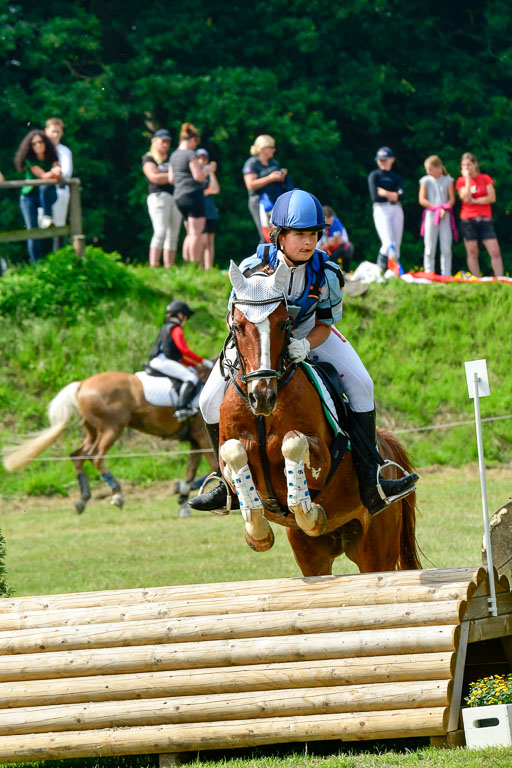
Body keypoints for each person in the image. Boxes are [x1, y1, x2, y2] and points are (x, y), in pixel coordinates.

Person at [189, 189, 418, 515]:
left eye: (313, 234)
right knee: (207, 400)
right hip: (260, 341)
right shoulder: (252, 267)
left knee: (363, 385)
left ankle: (372, 478)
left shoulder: (327, 273)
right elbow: (235, 319)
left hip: (310, 335)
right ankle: (225, 484)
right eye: (300, 234)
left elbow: (325, 323)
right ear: (279, 236)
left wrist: (305, 344)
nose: (309, 242)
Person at [148, 300, 213, 421]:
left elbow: (178, 356)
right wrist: (203, 361)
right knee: (191, 378)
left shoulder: (166, 327)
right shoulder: (176, 329)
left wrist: (193, 365)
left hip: (161, 359)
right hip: (163, 361)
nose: (185, 320)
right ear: (180, 315)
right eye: (186, 317)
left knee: (189, 374)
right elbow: (184, 351)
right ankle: (182, 408)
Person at [169, 123, 215, 266]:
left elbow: (171, 179)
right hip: (192, 195)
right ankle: (193, 265)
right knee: (196, 233)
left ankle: (186, 263)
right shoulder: (190, 154)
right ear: (193, 140)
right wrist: (208, 169)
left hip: (179, 196)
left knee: (189, 232)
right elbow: (199, 177)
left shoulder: (174, 155)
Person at [14, 129, 61, 263]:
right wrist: (54, 172)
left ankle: (47, 216)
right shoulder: (30, 159)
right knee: (32, 232)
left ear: (45, 143)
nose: (38, 145)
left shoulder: (52, 156)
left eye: (40, 142)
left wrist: (56, 172)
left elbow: (57, 173)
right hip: (29, 197)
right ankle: (37, 264)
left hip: (46, 196)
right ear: (31, 147)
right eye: (34, 144)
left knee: (45, 188)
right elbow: (43, 176)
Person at [455, 152, 504, 278]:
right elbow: (465, 198)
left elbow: (491, 198)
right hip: (468, 220)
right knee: (472, 252)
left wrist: (475, 200)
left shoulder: (485, 178)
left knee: (494, 251)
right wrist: (467, 180)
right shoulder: (461, 181)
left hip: (484, 219)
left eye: (469, 165)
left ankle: (500, 279)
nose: (466, 168)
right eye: (464, 165)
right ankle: (476, 280)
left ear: (475, 164)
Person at [142, 129, 182, 268]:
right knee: (160, 231)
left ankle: (168, 266)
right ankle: (153, 265)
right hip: (158, 197)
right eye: (163, 141)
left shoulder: (171, 158)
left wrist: (167, 176)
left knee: (173, 234)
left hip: (174, 197)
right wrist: (172, 176)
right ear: (155, 141)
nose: (166, 144)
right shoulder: (148, 158)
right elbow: (154, 177)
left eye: (168, 142)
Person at [242, 135, 293, 243]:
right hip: (259, 202)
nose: (274, 150)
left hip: (274, 200)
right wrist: (270, 178)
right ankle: (263, 254)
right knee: (266, 235)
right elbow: (250, 184)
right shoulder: (252, 163)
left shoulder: (273, 163)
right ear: (263, 148)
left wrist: (282, 178)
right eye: (271, 147)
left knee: (278, 233)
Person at [418, 155, 457, 276]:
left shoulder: (448, 180)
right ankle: (429, 272)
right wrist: (436, 208)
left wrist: (444, 208)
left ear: (438, 167)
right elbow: (422, 199)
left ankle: (446, 273)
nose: (428, 172)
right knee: (429, 245)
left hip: (445, 215)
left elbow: (452, 199)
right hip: (431, 214)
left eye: (430, 169)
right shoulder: (425, 180)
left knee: (446, 246)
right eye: (427, 169)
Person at [368, 146, 404, 272]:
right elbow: (375, 197)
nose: (382, 162)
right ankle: (380, 269)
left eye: (385, 159)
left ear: (391, 159)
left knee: (396, 244)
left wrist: (385, 193)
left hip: (396, 209)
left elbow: (402, 196)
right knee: (388, 243)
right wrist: (394, 195)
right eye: (380, 160)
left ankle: (393, 271)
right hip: (381, 209)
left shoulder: (396, 177)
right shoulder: (374, 175)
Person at [44, 117, 73, 251]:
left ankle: (58, 256)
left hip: (60, 191)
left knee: (59, 226)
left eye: (58, 132)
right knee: (40, 226)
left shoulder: (64, 151)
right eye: (53, 131)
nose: (55, 135)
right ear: (46, 131)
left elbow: (66, 173)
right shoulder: (39, 149)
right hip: (42, 192)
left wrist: (51, 174)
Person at [196, 148, 219, 270]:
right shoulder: (195, 175)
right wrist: (208, 191)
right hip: (200, 212)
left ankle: (208, 268)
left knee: (210, 242)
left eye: (204, 159)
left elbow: (216, 189)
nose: (201, 161)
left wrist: (211, 172)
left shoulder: (208, 176)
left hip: (210, 212)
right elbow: (200, 193)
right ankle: (200, 267)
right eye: (199, 159)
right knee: (202, 241)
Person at [318, 205, 355, 273]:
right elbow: (316, 249)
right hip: (325, 251)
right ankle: (330, 272)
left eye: (331, 219)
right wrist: (327, 244)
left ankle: (345, 271)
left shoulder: (336, 223)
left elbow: (346, 240)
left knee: (349, 247)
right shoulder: (319, 228)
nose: (330, 221)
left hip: (335, 249)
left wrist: (340, 240)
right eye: (327, 219)